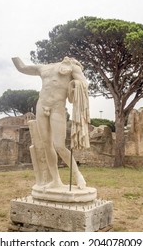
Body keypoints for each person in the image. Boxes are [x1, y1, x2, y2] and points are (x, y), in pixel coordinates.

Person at [12, 56, 88, 189]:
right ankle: (56, 180)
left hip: (58, 107)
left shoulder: (72, 67)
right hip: (41, 106)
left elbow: (84, 84)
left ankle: (78, 175)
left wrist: (75, 85)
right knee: (47, 145)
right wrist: (13, 56)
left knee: (59, 145)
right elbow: (22, 67)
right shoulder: (43, 68)